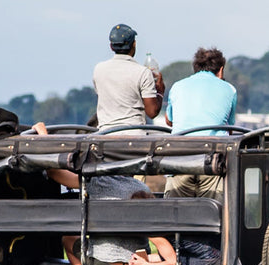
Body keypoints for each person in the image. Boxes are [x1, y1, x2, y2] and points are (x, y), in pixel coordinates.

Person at [163, 47, 238, 198]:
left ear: (195, 68)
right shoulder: (229, 89)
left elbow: (169, 121)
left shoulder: (177, 86)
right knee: (214, 210)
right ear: (221, 70)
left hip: (179, 158)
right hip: (213, 160)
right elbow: (229, 128)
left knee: (175, 210)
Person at [93, 23, 165, 133]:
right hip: (134, 136)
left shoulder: (99, 69)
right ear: (134, 44)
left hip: (105, 134)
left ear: (111, 46)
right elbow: (152, 112)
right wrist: (160, 92)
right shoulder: (143, 72)